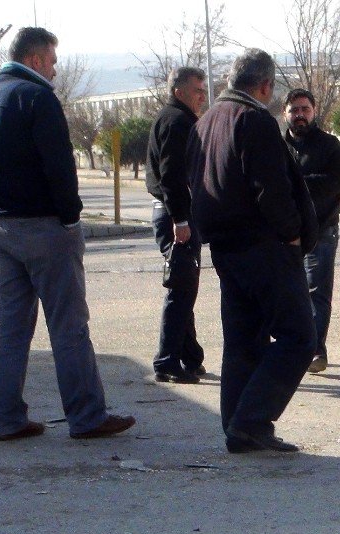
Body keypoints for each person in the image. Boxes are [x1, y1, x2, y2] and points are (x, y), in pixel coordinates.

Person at [0, 27, 135, 441]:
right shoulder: (37, 97)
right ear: (36, 60)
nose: (55, 71)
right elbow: (60, 167)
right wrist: (71, 219)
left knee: (11, 325)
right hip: (44, 227)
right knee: (68, 324)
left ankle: (6, 419)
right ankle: (87, 416)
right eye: (53, 61)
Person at [186, 48, 318, 453]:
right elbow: (270, 189)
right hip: (264, 247)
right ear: (264, 85)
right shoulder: (254, 119)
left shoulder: (207, 120)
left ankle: (238, 428)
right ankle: (252, 419)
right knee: (299, 337)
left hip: (226, 248)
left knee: (245, 340)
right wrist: (292, 233)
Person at [146, 67, 208, 384]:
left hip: (176, 213)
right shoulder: (177, 121)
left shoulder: (176, 118)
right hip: (175, 216)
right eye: (197, 89)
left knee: (186, 285)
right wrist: (180, 218)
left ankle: (190, 356)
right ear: (178, 91)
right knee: (181, 289)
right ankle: (167, 361)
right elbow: (171, 174)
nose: (202, 94)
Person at [283, 89, 340, 374]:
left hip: (321, 231)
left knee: (317, 293)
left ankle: (315, 351)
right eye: (294, 110)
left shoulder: (330, 145)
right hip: (284, 234)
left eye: (305, 109)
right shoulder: (275, 146)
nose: (300, 115)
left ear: (314, 111)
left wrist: (298, 186)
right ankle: (289, 349)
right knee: (286, 293)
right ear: (285, 113)